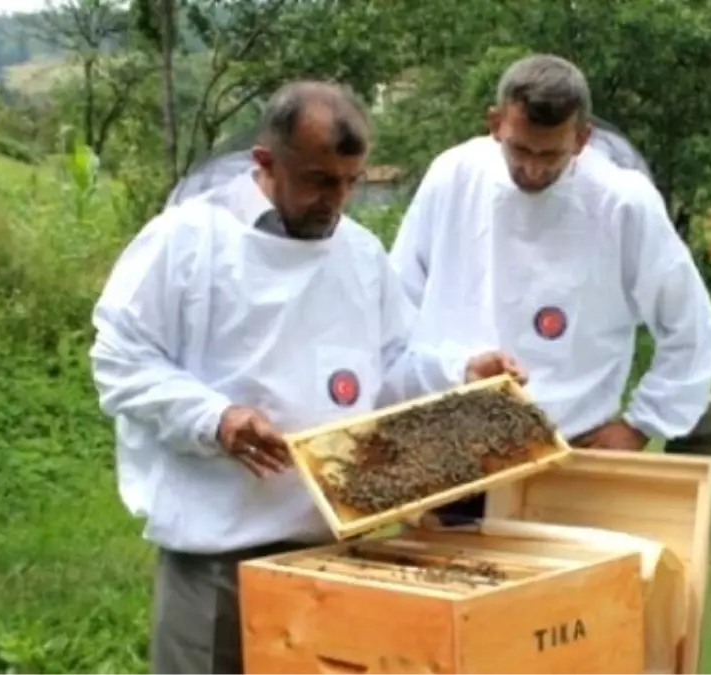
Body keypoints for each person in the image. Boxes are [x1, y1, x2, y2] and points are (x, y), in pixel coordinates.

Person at [88, 80, 524, 675]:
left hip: (337, 546)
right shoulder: (187, 240)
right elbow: (120, 359)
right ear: (265, 162)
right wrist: (216, 418)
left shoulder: (362, 253)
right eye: (320, 180)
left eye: (351, 181)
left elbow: (391, 367)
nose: (336, 200)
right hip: (219, 554)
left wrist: (460, 370)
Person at [389, 53, 711, 456]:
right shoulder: (453, 175)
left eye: (550, 156)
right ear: (496, 123)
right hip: (451, 441)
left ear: (582, 138)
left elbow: (690, 326)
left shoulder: (623, 202)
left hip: (573, 446)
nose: (531, 169)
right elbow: (396, 307)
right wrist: (452, 371)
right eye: (520, 150)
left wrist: (641, 424)